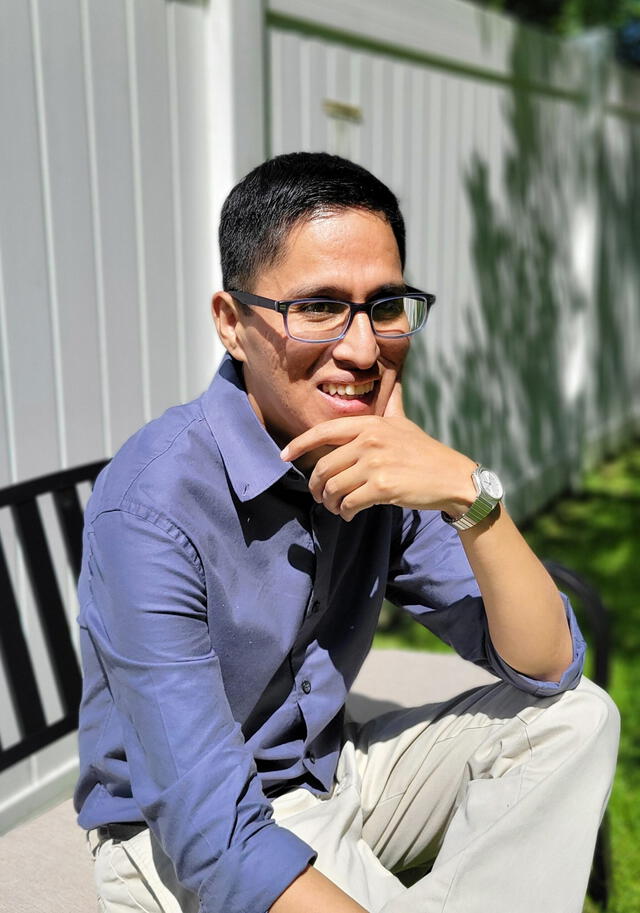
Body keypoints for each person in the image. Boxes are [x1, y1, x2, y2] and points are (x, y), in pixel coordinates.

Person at [75, 152, 619, 913]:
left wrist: (469, 494)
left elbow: (549, 663)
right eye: (320, 306)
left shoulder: (376, 460)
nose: (364, 349)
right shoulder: (151, 508)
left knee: (578, 716)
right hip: (178, 835)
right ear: (233, 324)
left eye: (385, 305)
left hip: (333, 770)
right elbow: (211, 835)